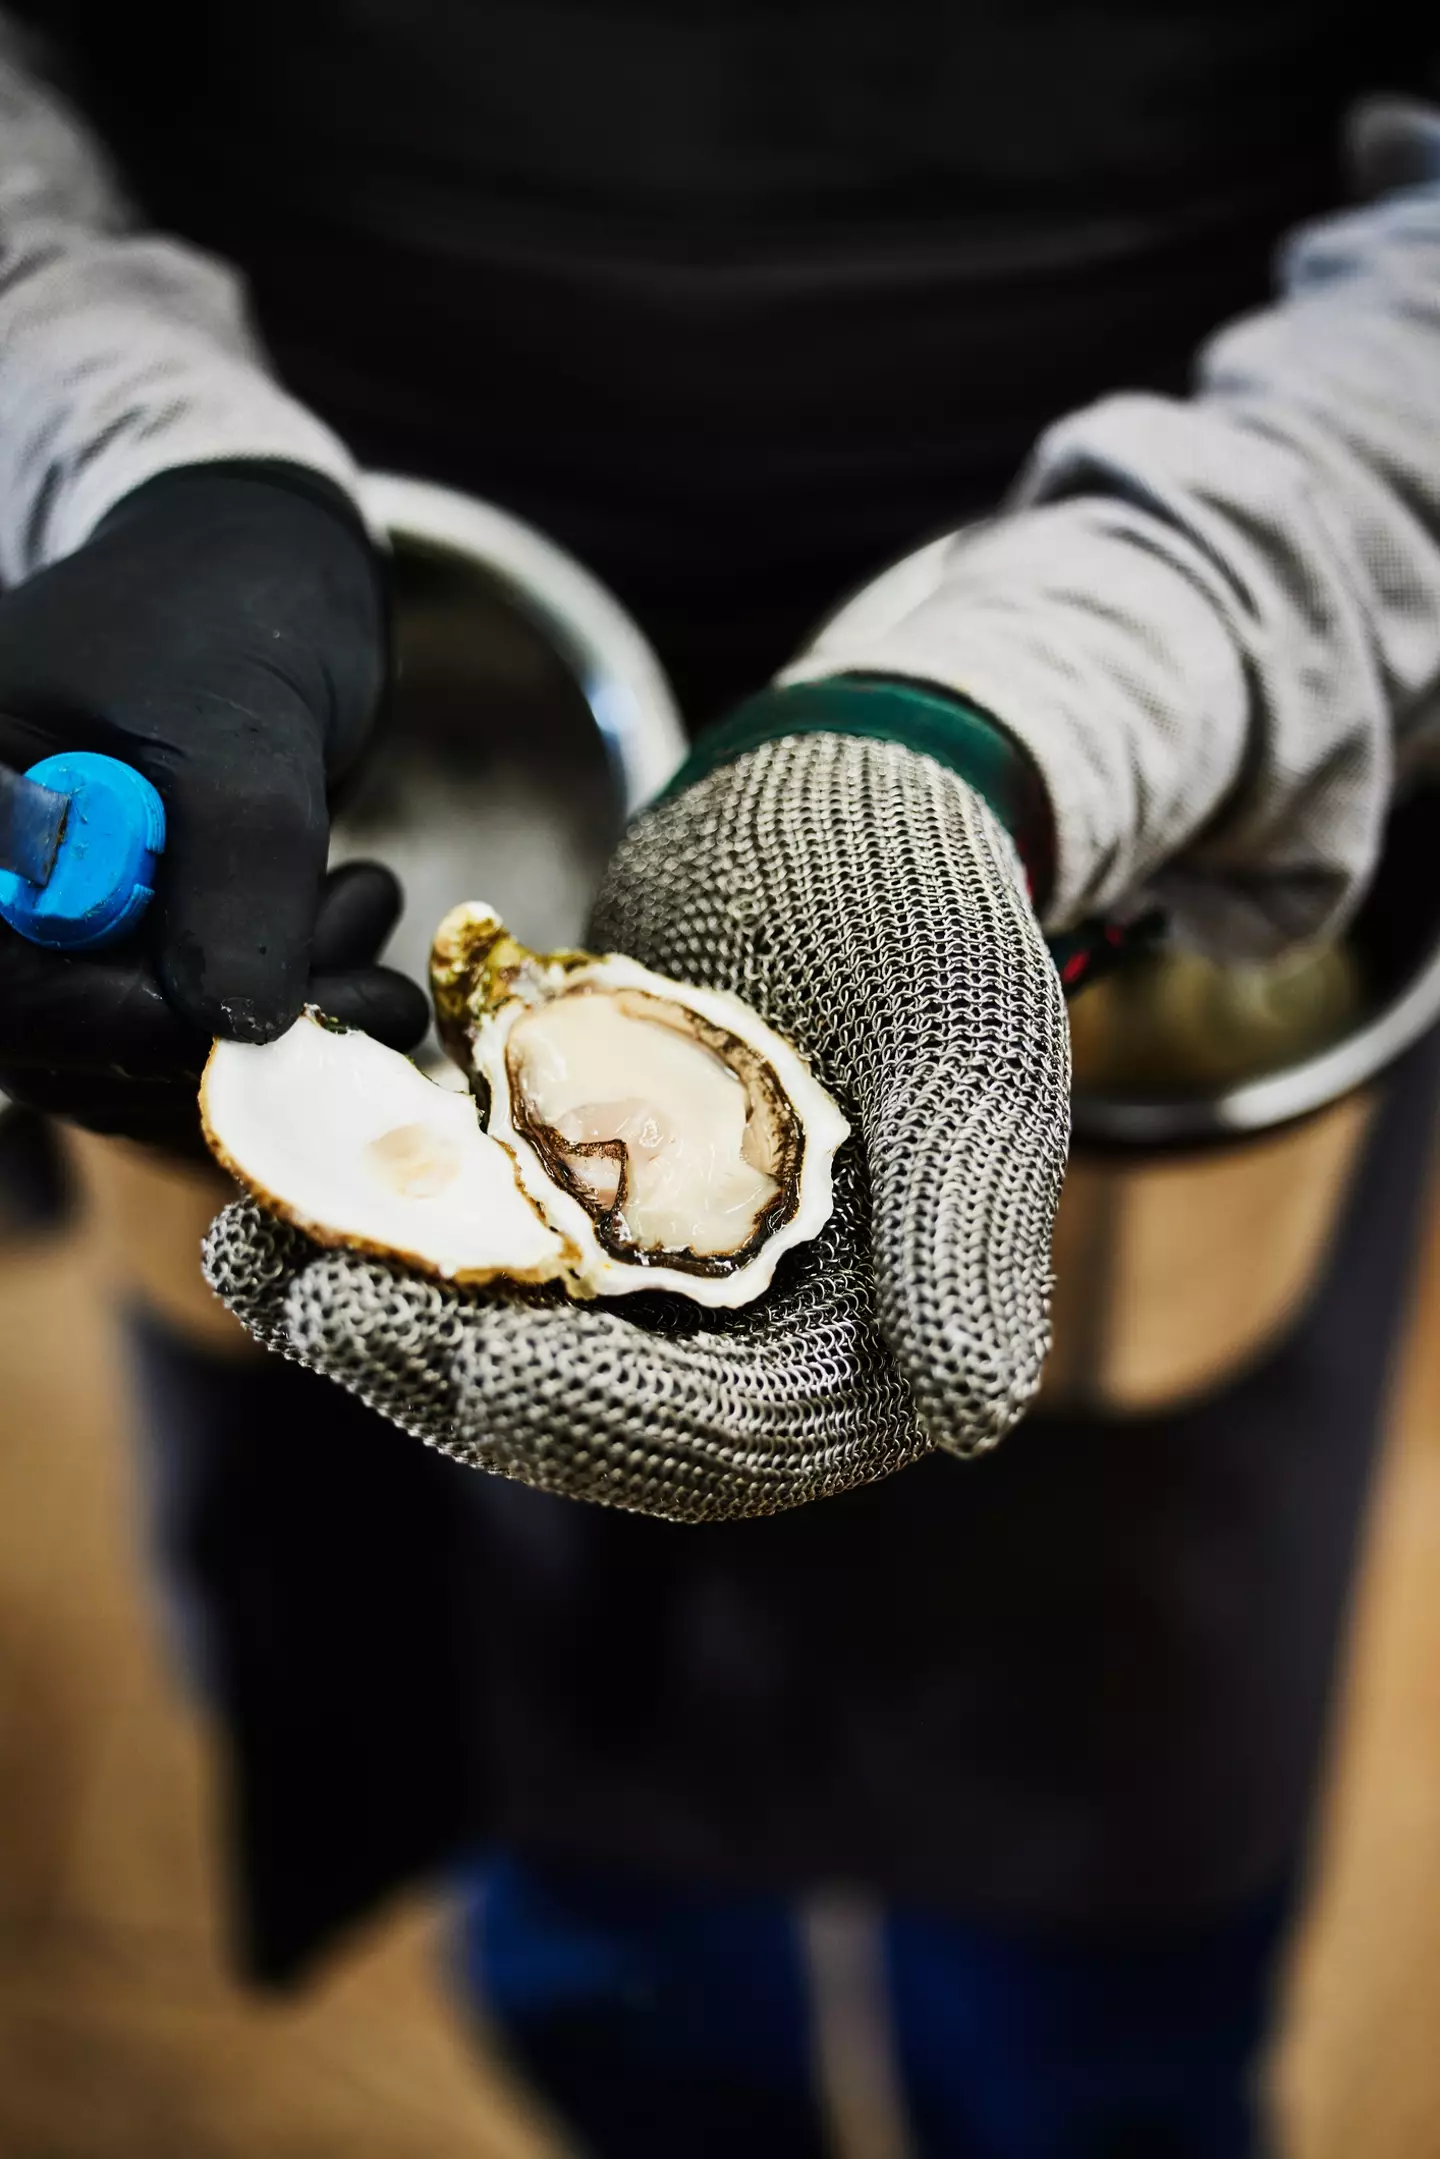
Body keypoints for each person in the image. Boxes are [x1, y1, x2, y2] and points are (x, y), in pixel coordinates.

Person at [3, 7, 1440, 2152]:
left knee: (1088, 1978)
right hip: (338, 702)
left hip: (1184, 702)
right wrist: (119, 450)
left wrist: (1015, 709)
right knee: (584, 1895)